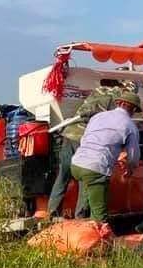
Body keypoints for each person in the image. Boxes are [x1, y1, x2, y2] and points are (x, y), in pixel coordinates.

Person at [48, 79, 134, 218]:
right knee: (86, 177)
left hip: (69, 133)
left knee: (63, 175)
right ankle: (81, 216)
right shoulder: (117, 99)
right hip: (84, 136)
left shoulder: (97, 92)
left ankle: (52, 213)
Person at [69, 90, 142, 224]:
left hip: (77, 164)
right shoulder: (130, 125)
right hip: (96, 168)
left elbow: (85, 138)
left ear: (118, 103)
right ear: (133, 109)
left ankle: (81, 226)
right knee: (100, 216)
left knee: (88, 195)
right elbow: (133, 156)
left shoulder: (98, 116)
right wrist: (130, 169)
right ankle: (98, 234)